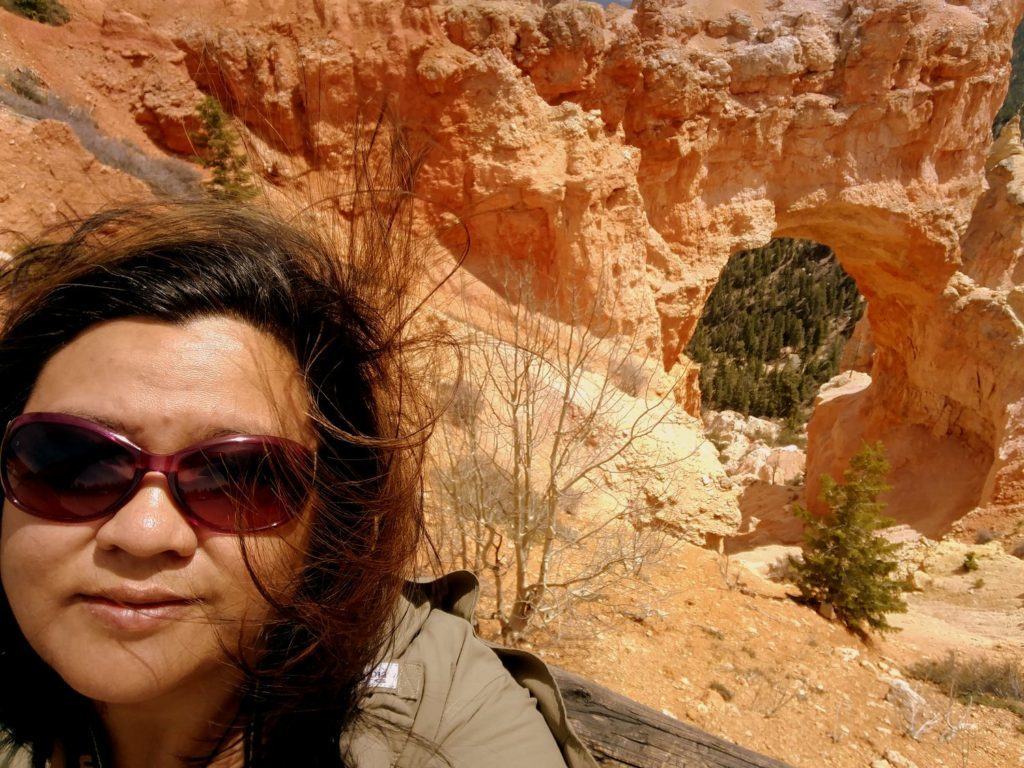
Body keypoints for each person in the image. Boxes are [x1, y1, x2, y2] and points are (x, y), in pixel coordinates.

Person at [0, 191, 596, 767]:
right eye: (72, 461)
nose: (144, 531)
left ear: (328, 522)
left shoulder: (440, 719)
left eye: (238, 479)